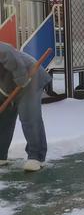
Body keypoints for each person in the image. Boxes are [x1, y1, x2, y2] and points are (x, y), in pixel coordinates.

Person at [0, 42, 51, 172]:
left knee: (29, 116)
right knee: (3, 118)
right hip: (5, 85)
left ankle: (36, 157)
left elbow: (8, 52)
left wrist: (21, 79)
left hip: (28, 76)